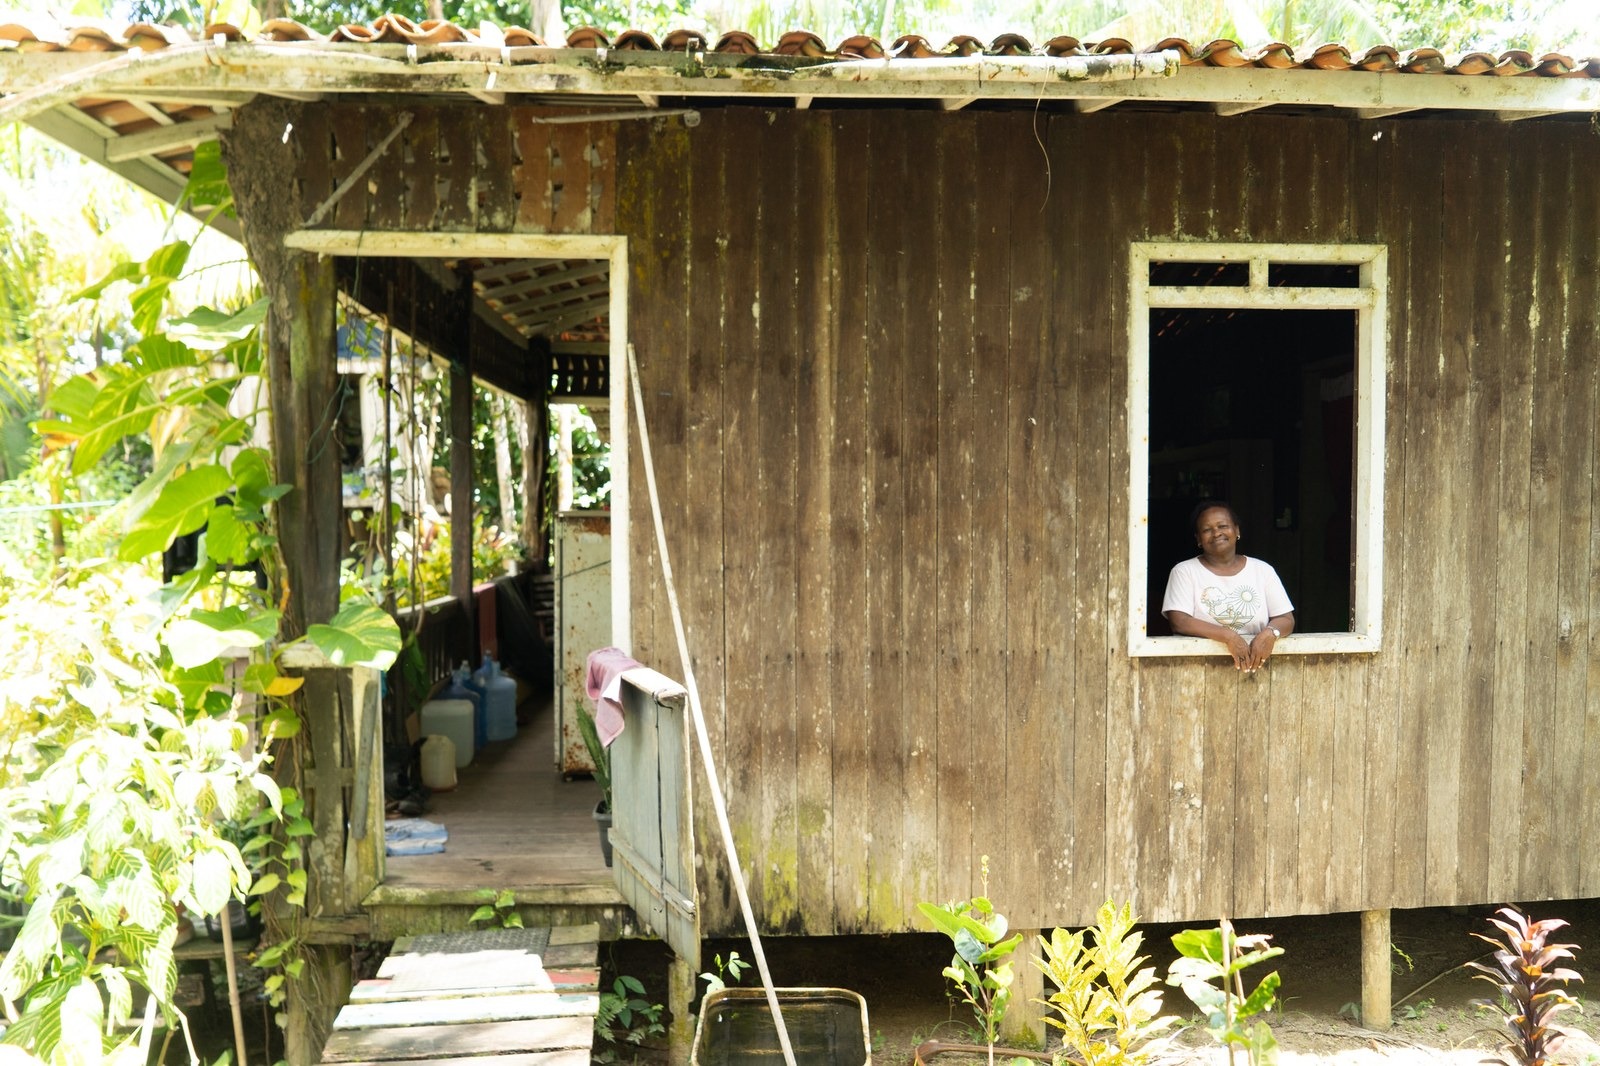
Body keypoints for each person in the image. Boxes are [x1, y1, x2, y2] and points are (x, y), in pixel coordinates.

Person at [1161, 500, 1295, 673]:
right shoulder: (1184, 572)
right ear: (1199, 539)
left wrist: (1270, 634)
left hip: (1258, 670)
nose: (1216, 533)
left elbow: (1286, 619)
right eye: (1207, 530)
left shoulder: (1262, 570)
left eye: (1223, 526)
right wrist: (1229, 637)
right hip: (1198, 671)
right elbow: (1180, 622)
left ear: (1237, 530)